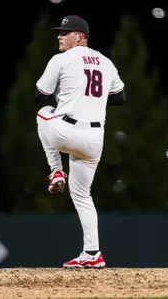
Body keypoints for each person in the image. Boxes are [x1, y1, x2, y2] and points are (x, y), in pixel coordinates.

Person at [35, 15, 126, 268]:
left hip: (66, 132)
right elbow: (120, 98)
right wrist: (90, 99)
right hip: (95, 139)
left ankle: (55, 171)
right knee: (83, 196)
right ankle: (93, 253)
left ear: (80, 36)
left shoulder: (61, 59)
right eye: (60, 32)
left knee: (43, 114)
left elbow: (39, 95)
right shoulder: (106, 62)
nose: (59, 36)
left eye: (66, 32)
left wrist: (70, 94)